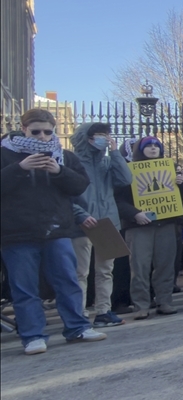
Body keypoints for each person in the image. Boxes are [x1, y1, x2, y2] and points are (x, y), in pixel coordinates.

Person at [1, 108, 107, 354]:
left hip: (58, 230)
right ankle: (33, 336)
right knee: (25, 288)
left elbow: (81, 185)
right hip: (16, 233)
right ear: (24, 128)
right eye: (35, 131)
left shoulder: (64, 156)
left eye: (47, 132)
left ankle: (77, 328)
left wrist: (58, 172)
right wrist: (20, 167)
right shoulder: (5, 154)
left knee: (67, 281)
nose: (41, 137)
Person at [115, 137, 183, 319]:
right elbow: (118, 199)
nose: (153, 148)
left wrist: (182, 184)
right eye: (148, 145)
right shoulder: (127, 171)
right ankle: (141, 305)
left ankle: (165, 301)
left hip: (166, 223)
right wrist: (134, 214)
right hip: (139, 225)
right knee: (139, 267)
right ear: (139, 150)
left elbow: (181, 197)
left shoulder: (170, 167)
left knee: (165, 265)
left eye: (157, 145)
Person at [68, 122, 132, 327]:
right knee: (81, 272)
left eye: (106, 135)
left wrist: (115, 153)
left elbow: (125, 179)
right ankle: (79, 313)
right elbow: (66, 195)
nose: (104, 138)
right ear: (87, 138)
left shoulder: (107, 162)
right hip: (82, 223)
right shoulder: (73, 162)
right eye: (99, 135)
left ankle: (104, 311)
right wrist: (79, 214)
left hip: (107, 222)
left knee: (105, 271)